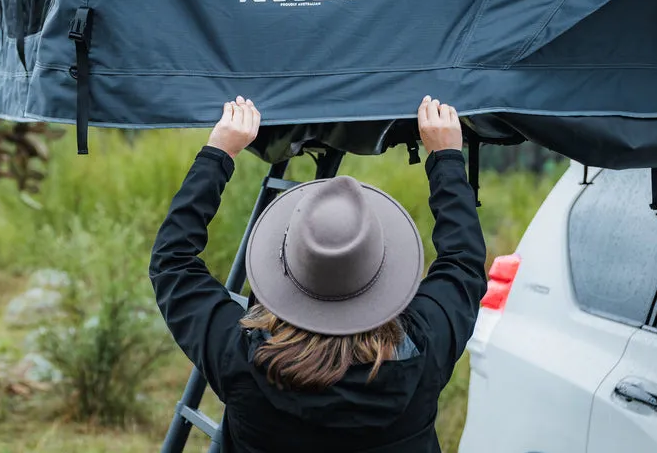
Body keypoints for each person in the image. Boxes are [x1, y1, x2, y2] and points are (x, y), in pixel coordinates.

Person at [150, 95, 486, 453]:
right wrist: (446, 157)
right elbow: (463, 260)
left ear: (285, 269)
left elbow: (172, 260)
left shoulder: (242, 361)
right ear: (381, 269)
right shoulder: (423, 352)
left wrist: (219, 152)